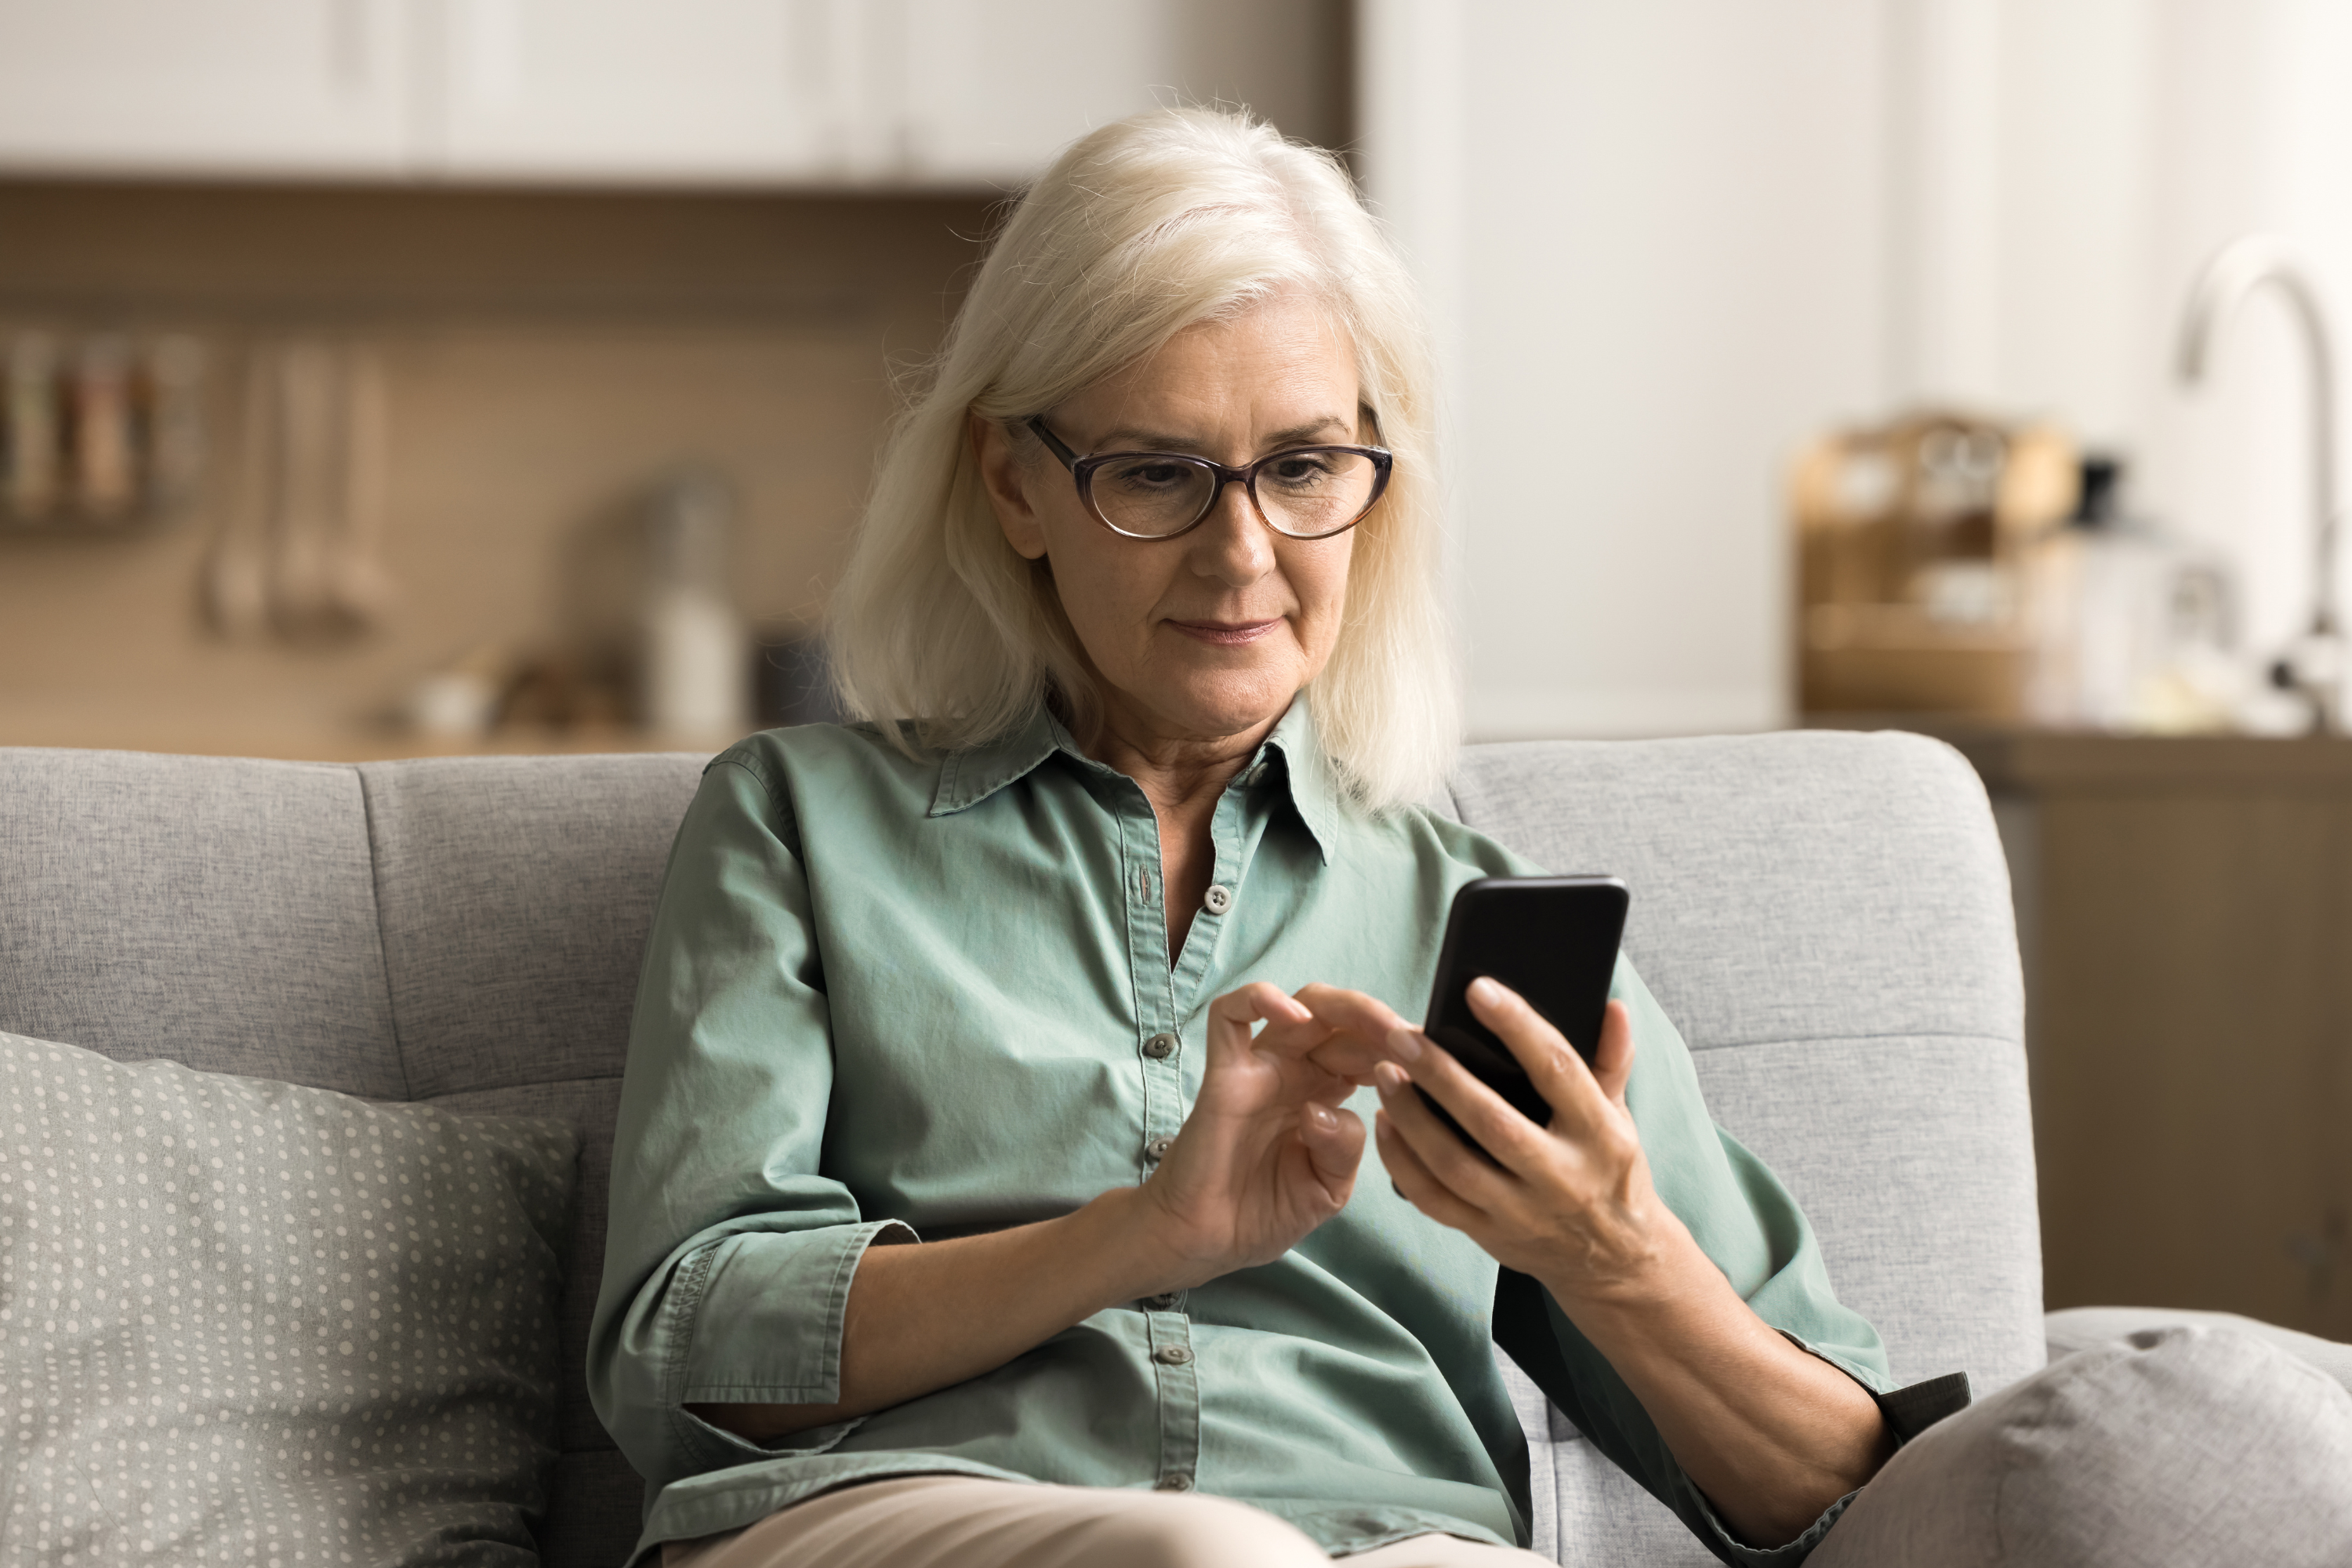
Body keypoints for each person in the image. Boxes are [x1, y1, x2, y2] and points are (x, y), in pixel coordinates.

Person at [587, 107, 1947, 1568]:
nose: (1244, 556)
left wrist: (1611, 1256)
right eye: (1160, 475)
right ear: (1013, 483)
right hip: (900, 1516)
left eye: (1303, 469)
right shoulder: (798, 824)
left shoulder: (1465, 912)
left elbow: (1837, 1484)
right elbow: (680, 1352)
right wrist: (1141, 1234)